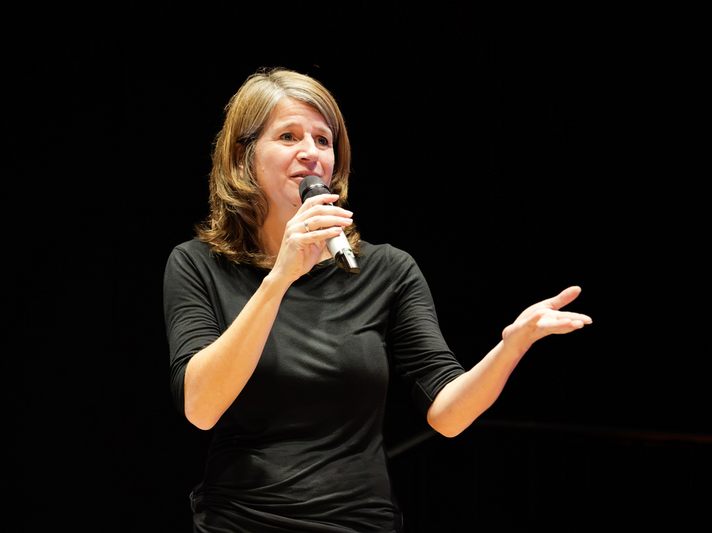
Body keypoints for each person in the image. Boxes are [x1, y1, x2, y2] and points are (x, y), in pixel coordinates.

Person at [163, 67, 592, 532]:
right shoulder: (198, 264)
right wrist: (280, 278)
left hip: (360, 522)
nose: (310, 153)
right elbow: (201, 408)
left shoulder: (388, 270)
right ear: (243, 157)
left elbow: (447, 415)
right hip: (241, 521)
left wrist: (511, 346)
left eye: (323, 140)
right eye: (288, 136)